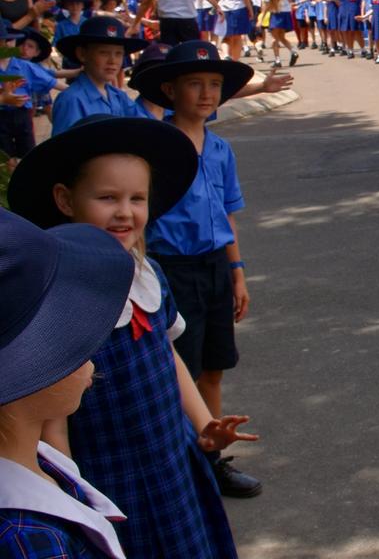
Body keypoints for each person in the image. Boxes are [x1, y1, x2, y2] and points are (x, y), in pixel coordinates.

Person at [8, 115, 258, 558]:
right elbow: (50, 413)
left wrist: (204, 425)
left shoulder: (150, 273)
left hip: (172, 457)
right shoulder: (62, 292)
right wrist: (69, 487)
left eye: (137, 198)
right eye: (107, 197)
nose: (126, 212)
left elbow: (166, 353)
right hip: (110, 471)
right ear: (65, 200)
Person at [130, 41, 263, 499]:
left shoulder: (222, 148)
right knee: (176, 370)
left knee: (213, 367)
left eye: (214, 85)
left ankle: (210, 458)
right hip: (170, 269)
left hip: (214, 268)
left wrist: (238, 273)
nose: (207, 93)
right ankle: (178, 464)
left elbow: (228, 215)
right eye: (195, 84)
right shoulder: (154, 147)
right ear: (170, 89)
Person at [0, 209, 135, 559]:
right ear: (24, 369)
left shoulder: (38, 460)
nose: (92, 354)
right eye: (70, 335)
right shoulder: (26, 539)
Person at [51, 15, 149, 135]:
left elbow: (146, 126)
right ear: (82, 54)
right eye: (104, 53)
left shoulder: (117, 96)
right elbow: (63, 149)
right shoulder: (72, 100)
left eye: (118, 54)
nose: (112, 61)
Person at [0, 20, 56, 162]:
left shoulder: (24, 66)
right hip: (3, 116)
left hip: (22, 114)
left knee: (27, 151)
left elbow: (53, 78)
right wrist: (4, 99)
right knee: (6, 156)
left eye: (8, 41)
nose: (5, 45)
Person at [262, 0, 299, 68]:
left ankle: (278, 60)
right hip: (286, 12)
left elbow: (266, 3)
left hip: (276, 13)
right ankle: (293, 51)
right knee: (281, 37)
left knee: (275, 38)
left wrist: (262, 17)